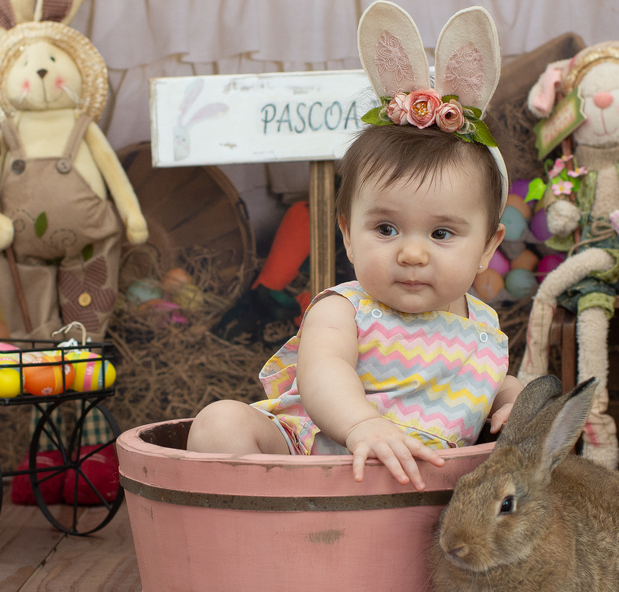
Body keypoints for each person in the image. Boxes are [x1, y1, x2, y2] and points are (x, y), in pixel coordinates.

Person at [187, 120, 524, 489]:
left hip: (417, 494)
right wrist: (362, 424)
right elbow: (324, 369)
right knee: (219, 425)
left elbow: (490, 382)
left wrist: (515, 402)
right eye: (386, 229)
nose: (412, 254)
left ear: (487, 247)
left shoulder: (484, 325)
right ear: (348, 235)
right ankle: (271, 520)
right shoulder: (343, 309)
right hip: (309, 464)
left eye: (441, 233)